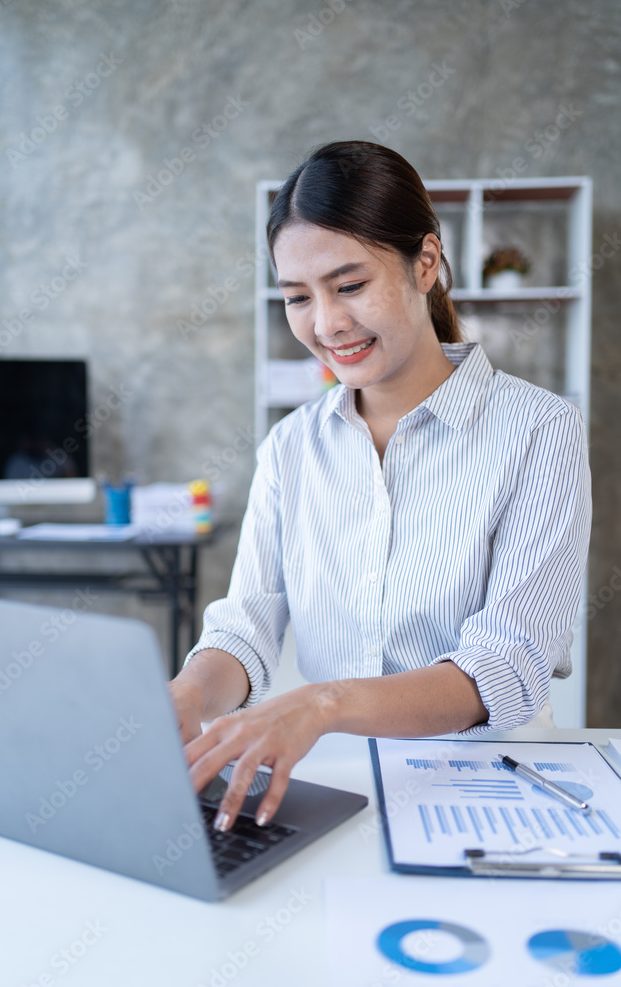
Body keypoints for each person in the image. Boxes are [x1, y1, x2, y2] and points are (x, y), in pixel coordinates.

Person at [169, 140, 591, 835]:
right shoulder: (290, 447)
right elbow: (246, 626)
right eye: (297, 297)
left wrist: (325, 703)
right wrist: (187, 695)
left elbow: (507, 664)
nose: (325, 324)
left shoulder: (538, 430)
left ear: (425, 263)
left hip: (486, 789)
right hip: (330, 786)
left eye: (350, 284)